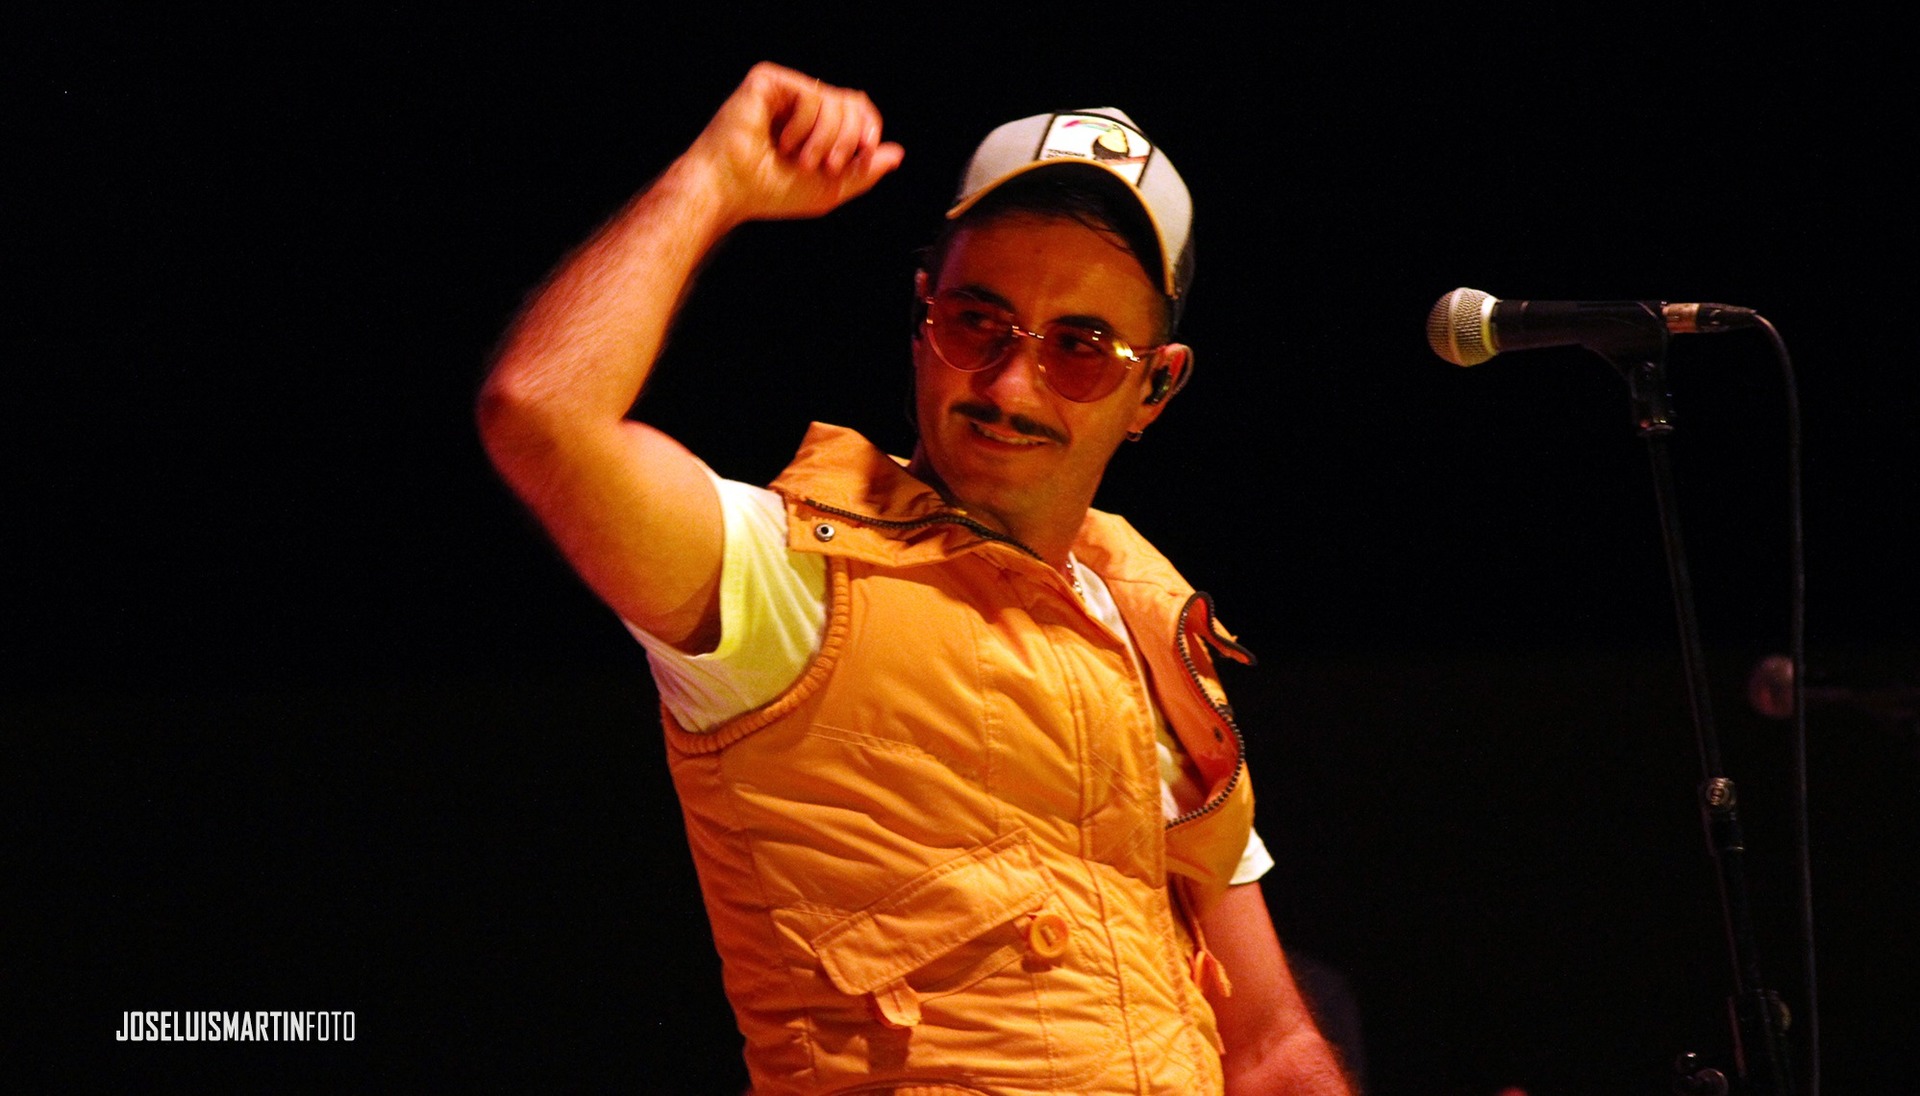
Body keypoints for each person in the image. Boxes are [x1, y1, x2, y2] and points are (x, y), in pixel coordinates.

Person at [478, 61, 1354, 1096]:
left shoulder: (1149, 635)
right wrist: (713, 180)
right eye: (978, 322)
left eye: (1080, 347)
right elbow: (541, 413)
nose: (1012, 384)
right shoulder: (791, 574)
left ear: (1154, 388)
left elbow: (1271, 1046)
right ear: (922, 313)